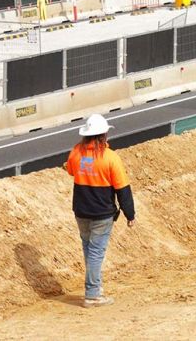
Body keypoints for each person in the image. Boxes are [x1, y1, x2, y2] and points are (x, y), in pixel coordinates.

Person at [64, 113, 135, 308]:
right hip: (101, 213)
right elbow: (122, 188)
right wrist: (130, 214)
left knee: (89, 249)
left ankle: (95, 287)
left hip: (81, 211)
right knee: (96, 252)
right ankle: (93, 294)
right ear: (103, 135)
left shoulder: (76, 152)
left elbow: (70, 170)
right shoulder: (110, 158)